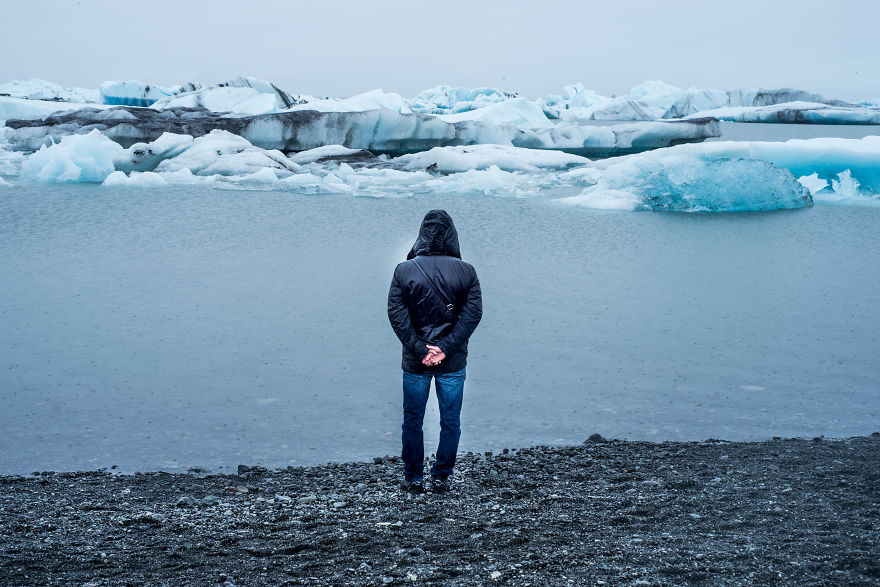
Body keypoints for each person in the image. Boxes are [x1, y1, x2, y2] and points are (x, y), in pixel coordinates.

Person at [387, 210, 483, 494]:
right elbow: (472, 315)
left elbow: (397, 315)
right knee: (450, 421)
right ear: (452, 234)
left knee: (412, 420)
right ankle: (441, 477)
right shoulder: (467, 271)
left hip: (416, 363)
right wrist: (444, 348)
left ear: (422, 234)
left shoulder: (403, 270)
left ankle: (413, 478)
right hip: (452, 361)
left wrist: (420, 351)